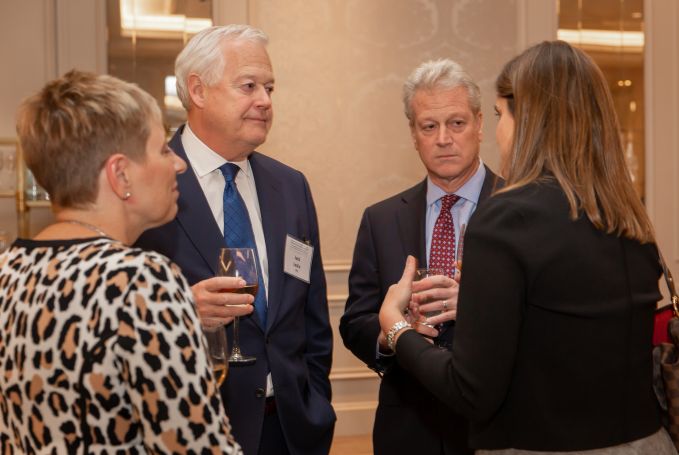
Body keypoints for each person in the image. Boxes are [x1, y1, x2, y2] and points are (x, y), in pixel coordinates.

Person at [379, 40, 677, 454]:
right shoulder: (627, 216)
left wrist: (395, 327)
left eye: (501, 115)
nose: (499, 130)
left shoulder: (506, 219)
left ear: (529, 121)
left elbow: (471, 391)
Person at [0, 70, 247, 453]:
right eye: (163, 149)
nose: (178, 164)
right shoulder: (142, 281)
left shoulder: (9, 270)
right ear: (120, 174)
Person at [135, 25, 335, 455]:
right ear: (198, 90)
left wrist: (315, 403)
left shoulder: (290, 185)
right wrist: (182, 309)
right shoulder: (149, 183)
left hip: (291, 429)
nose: (265, 100)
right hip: (189, 431)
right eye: (248, 86)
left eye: (269, 87)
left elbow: (312, 315)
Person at [339, 59, 502, 454]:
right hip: (407, 426)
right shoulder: (380, 219)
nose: (443, 138)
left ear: (480, 124)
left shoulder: (518, 207)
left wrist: (478, 305)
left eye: (457, 123)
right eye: (429, 126)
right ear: (414, 134)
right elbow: (354, 322)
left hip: (495, 425)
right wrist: (392, 331)